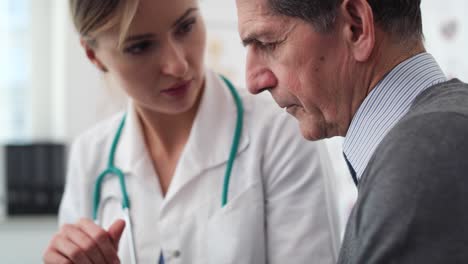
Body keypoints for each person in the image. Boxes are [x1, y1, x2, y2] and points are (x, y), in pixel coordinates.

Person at [42, 0, 342, 263]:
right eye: (141, 46)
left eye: (185, 26)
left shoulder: (280, 134)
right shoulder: (90, 155)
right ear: (93, 56)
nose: (177, 64)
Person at [235, 0, 468, 263]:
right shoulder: (443, 135)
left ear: (356, 27)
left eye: (269, 43)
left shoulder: (422, 164)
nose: (254, 81)